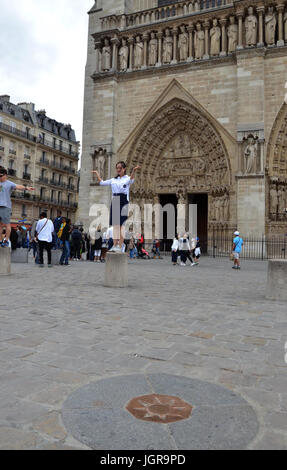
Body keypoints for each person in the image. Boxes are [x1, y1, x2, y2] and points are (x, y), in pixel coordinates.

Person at [92, 161, 140, 252]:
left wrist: (134, 170)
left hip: (123, 200)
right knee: (115, 225)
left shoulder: (127, 178)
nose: (118, 169)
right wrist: (97, 174)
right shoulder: (113, 180)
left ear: (124, 169)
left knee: (121, 225)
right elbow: (102, 183)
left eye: (120, 168)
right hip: (115, 200)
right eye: (117, 168)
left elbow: (132, 179)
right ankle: (114, 245)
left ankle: (120, 245)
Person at [0, 166, 34, 247]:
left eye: (0, 176)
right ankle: (1, 240)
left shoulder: (9, 183)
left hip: (5, 206)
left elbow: (18, 186)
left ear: (5, 175)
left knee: (7, 224)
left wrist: (26, 188)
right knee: (0, 225)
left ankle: (6, 240)